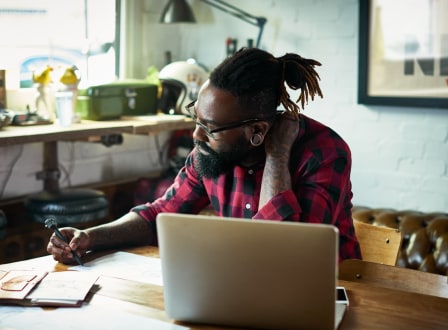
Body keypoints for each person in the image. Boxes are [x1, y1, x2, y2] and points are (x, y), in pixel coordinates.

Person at [47, 47, 361, 264]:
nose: (197, 136)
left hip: (330, 294)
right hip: (242, 288)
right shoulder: (209, 153)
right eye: (196, 119)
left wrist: (277, 156)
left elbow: (288, 255)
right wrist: (90, 237)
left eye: (210, 128)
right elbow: (161, 214)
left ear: (258, 131)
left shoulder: (324, 153)